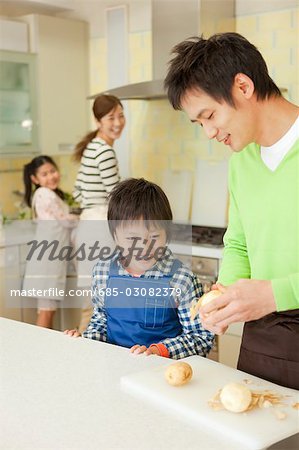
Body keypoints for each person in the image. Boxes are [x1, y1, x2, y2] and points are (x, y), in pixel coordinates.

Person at [164, 32, 299, 388]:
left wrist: (274, 293)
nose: (209, 132)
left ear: (242, 86)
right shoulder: (242, 162)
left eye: (209, 115)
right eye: (199, 123)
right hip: (265, 332)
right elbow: (238, 243)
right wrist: (224, 294)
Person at [65, 178, 214, 359]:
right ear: (115, 236)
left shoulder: (181, 280)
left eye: (153, 237)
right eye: (131, 239)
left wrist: (159, 351)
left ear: (167, 234)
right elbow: (101, 322)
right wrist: (86, 341)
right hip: (113, 369)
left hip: (161, 375)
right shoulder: (103, 272)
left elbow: (200, 338)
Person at [73, 94, 126, 333]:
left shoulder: (91, 147)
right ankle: (86, 362)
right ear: (98, 121)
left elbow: (77, 192)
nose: (118, 122)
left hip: (87, 228)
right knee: (100, 306)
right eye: (111, 117)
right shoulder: (103, 151)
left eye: (121, 115)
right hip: (100, 231)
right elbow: (116, 196)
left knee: (93, 304)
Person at [23, 155, 78, 329]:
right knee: (47, 310)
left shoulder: (47, 194)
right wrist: (84, 217)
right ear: (34, 179)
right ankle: (40, 352)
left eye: (53, 171)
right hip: (47, 262)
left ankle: (43, 351)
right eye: (44, 174)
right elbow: (65, 221)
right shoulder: (44, 193)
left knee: (47, 309)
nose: (51, 176)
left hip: (49, 259)